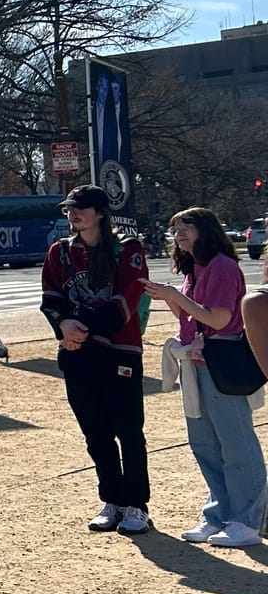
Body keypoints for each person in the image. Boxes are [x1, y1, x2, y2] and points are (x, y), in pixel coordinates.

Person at [147, 208, 265, 546]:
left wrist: (174, 296)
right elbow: (189, 317)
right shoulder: (193, 268)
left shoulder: (223, 267)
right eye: (175, 227)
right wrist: (171, 297)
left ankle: (247, 520)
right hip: (195, 361)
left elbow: (218, 318)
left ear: (206, 230)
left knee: (236, 442)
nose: (179, 233)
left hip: (220, 359)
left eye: (187, 226)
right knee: (205, 444)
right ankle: (219, 514)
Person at [40, 185, 152, 533]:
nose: (73, 215)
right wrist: (62, 325)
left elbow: (124, 303)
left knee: (128, 430)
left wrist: (78, 327)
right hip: (76, 354)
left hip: (119, 352)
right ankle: (112, 500)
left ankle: (137, 505)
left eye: (81, 208)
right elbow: (51, 298)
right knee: (95, 432)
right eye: (68, 209)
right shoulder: (59, 253)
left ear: (100, 213)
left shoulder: (128, 250)